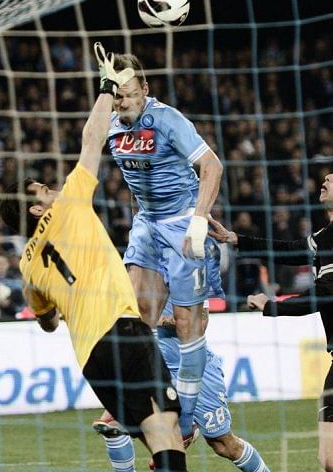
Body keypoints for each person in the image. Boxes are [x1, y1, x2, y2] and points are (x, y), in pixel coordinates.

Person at [0, 43, 187, 472]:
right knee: (167, 429)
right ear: (36, 208)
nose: (51, 189)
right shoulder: (69, 205)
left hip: (90, 359)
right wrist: (105, 86)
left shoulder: (27, 265)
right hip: (122, 331)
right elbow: (92, 137)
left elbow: (46, 322)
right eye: (41, 190)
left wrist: (64, 305)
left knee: (153, 437)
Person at [106, 51, 223, 437]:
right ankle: (139, 401)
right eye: (116, 95)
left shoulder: (168, 120)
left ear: (146, 90)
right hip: (147, 222)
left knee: (188, 324)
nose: (123, 101)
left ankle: (186, 420)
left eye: (129, 93)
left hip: (183, 224)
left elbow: (212, 166)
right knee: (136, 312)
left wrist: (200, 217)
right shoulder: (109, 127)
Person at [94, 249, 271, 472]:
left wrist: (155, 321)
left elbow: (200, 324)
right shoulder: (134, 268)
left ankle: (188, 426)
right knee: (112, 426)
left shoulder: (188, 271)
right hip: (153, 367)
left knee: (224, 444)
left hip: (194, 370)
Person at [208, 172, 333, 472]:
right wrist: (236, 239)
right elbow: (289, 251)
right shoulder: (325, 237)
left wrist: (271, 306)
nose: (326, 179)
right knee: (328, 459)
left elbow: (325, 295)